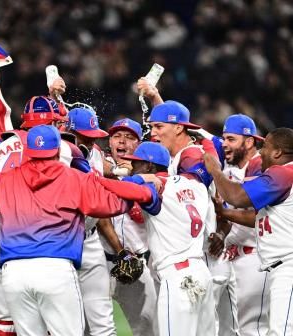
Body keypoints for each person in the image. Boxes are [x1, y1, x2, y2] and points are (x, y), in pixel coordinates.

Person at [0, 125, 158, 336]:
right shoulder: (74, 178)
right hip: (56, 270)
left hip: (14, 274)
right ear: (58, 150)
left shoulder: (7, 179)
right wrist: (137, 186)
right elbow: (112, 205)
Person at [0, 93, 90, 336]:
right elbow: (90, 184)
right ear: (51, 123)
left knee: (3, 319)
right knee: (53, 320)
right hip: (42, 238)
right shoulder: (65, 148)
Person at [203, 127, 293, 336]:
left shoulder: (284, 172)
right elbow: (260, 219)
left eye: (266, 146)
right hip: (281, 266)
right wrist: (224, 213)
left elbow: (237, 197)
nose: (261, 151)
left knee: (280, 332)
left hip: (288, 265)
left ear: (278, 152)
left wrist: (215, 170)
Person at [121, 141, 216, 336]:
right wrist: (206, 140)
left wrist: (140, 177)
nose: (132, 167)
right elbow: (212, 163)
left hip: (177, 277)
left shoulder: (156, 189)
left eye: (136, 163)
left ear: (149, 166)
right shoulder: (194, 183)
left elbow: (124, 187)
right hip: (201, 271)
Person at [198, 114, 268, 336]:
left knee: (252, 329)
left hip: (255, 258)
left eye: (231, 139)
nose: (225, 144)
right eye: (224, 139)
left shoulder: (260, 166)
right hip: (232, 258)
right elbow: (188, 131)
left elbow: (260, 218)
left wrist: (224, 212)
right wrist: (220, 232)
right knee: (227, 329)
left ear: (249, 142)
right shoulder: (231, 165)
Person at [96, 117, 158, 336]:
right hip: (100, 262)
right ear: (109, 142)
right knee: (88, 328)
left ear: (139, 145)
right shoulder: (98, 168)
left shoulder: (149, 174)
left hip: (139, 265)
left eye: (129, 137)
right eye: (116, 136)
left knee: (149, 330)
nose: (121, 142)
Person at [66, 107, 116, 335]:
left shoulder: (95, 154)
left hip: (91, 239)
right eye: (85, 135)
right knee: (66, 323)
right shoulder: (57, 156)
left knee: (103, 321)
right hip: (63, 241)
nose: (90, 139)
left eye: (93, 135)